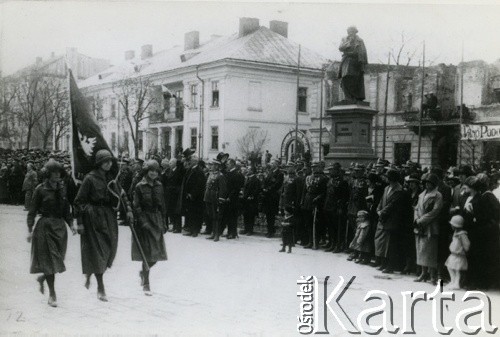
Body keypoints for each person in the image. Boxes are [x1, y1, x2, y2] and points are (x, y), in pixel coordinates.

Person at [74, 149, 134, 302]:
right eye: (105, 161)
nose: (109, 164)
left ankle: (91, 273)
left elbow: (122, 195)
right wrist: (80, 222)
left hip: (109, 216)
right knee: (99, 251)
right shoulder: (90, 178)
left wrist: (128, 210)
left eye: (110, 161)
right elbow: (79, 201)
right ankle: (101, 287)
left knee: (110, 250)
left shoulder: (111, 179)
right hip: (93, 217)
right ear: (99, 163)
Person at [27, 159, 76, 307]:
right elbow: (32, 211)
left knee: (57, 260)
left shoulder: (62, 189)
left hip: (60, 228)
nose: (57, 176)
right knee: (50, 260)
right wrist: (30, 229)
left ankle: (43, 278)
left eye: (59, 173)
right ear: (47, 174)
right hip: (45, 227)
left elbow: (66, 209)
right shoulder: (40, 189)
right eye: (54, 173)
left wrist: (71, 224)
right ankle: (52, 294)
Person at [132, 160, 168, 296]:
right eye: (151, 170)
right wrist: (143, 222)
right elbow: (137, 206)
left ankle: (142, 273)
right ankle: (146, 283)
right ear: (146, 171)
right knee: (147, 254)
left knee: (158, 254)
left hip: (157, 220)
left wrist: (164, 221)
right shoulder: (139, 186)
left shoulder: (159, 186)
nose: (153, 173)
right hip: (145, 221)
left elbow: (163, 205)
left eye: (156, 171)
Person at [414, 173, 443, 285]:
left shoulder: (438, 195)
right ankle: (423, 273)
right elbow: (416, 208)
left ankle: (432, 275)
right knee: (421, 250)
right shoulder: (421, 194)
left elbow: (435, 211)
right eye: (426, 183)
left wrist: (421, 220)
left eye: (429, 183)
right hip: (420, 226)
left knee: (430, 251)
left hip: (430, 226)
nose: (427, 185)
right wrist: (416, 219)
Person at [337, 26, 368, 102]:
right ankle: (348, 96)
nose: (350, 33)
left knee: (355, 79)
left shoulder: (360, 40)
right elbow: (340, 48)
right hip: (347, 60)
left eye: (352, 31)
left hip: (356, 61)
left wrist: (363, 63)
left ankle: (354, 97)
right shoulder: (344, 39)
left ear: (355, 32)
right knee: (345, 77)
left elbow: (364, 52)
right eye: (349, 31)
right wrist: (349, 42)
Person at [205, 159, 228, 242]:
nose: (211, 166)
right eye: (211, 165)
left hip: (215, 197)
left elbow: (223, 189)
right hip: (209, 197)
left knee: (217, 217)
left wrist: (221, 199)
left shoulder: (220, 175)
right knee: (211, 216)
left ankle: (217, 234)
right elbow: (207, 186)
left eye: (214, 165)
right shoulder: (211, 174)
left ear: (217, 166)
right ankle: (213, 233)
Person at [445, 215, 470, 290]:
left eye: (452, 225)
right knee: (449, 267)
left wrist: (465, 250)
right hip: (453, 254)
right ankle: (452, 281)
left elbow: (467, 244)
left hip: (459, 255)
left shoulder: (462, 234)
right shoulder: (455, 233)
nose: (451, 227)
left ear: (456, 226)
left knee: (457, 270)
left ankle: (457, 283)